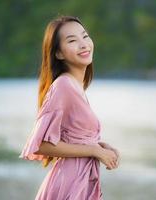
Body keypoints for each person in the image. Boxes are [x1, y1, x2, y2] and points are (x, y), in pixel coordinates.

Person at [19, 15, 120, 200]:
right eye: (72, 40)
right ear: (59, 53)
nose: (83, 44)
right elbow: (40, 145)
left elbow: (71, 137)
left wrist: (100, 146)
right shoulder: (63, 85)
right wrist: (94, 151)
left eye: (85, 36)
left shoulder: (75, 86)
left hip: (81, 181)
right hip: (69, 183)